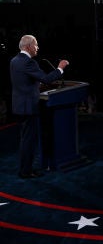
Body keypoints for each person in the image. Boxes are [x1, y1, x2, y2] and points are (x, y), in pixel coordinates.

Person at [10, 34, 69, 178]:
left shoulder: (14, 60)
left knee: (25, 139)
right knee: (29, 140)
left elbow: (23, 81)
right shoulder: (29, 62)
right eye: (36, 45)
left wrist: (36, 84)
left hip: (19, 106)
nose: (38, 48)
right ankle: (26, 172)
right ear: (29, 46)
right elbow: (47, 78)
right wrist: (60, 68)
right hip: (29, 107)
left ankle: (25, 168)